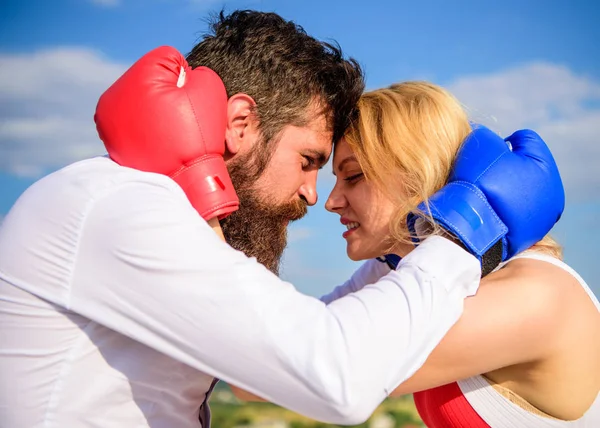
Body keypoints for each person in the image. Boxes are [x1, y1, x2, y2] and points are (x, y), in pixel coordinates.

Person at [0, 11, 563, 428]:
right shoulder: (125, 209)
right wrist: (466, 232)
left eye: (349, 175)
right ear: (241, 123)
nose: (314, 196)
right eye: (310, 161)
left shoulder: (142, 210)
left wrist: (405, 237)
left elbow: (285, 350)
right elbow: (333, 374)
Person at [319, 81, 599, 426]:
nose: (331, 201)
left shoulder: (536, 295)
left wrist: (459, 223)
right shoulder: (419, 272)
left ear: (416, 172)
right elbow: (283, 341)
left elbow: (326, 371)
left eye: (353, 176)